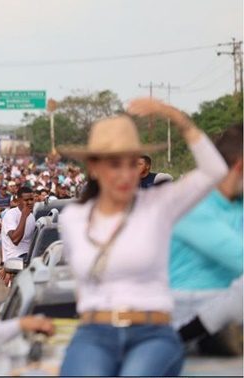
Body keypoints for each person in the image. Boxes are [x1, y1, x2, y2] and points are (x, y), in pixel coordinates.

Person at [56, 98, 228, 376]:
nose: (125, 175)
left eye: (131, 164)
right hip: (93, 334)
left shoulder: (158, 205)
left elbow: (215, 171)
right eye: (115, 165)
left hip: (152, 335)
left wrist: (175, 117)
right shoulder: (73, 218)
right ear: (94, 168)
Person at [169, 123, 243, 343]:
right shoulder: (192, 204)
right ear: (240, 166)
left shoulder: (238, 204)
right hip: (187, 310)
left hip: (231, 305)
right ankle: (188, 338)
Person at [0, 187, 36, 286]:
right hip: (16, 258)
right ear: (18, 201)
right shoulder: (10, 215)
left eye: (31, 199)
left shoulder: (31, 216)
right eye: (26, 200)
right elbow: (15, 239)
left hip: (28, 256)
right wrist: (23, 216)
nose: (30, 202)